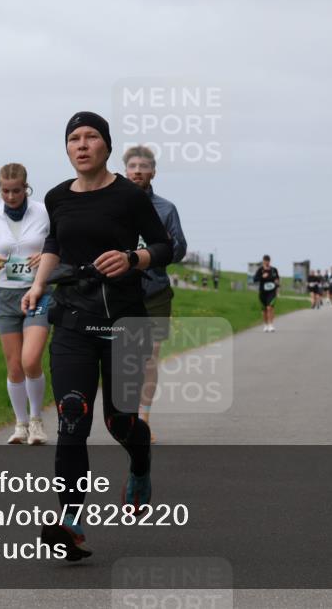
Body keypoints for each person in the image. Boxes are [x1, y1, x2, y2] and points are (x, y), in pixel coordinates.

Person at [22, 111, 171, 560]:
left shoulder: (129, 196)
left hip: (124, 320)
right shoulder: (55, 197)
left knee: (119, 421)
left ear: (106, 145)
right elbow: (54, 245)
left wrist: (133, 258)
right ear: (66, 149)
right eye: (73, 138)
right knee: (72, 415)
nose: (82, 144)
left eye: (91, 137)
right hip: (72, 318)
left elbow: (164, 245)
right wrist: (38, 285)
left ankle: (140, 466)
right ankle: (70, 519)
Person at [0, 164, 51, 445]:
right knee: (15, 366)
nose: (11, 196)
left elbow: (60, 244)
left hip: (38, 292)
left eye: (16, 190)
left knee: (31, 360)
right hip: (5, 295)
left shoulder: (43, 211)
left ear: (26, 187)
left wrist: (46, 256)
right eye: (5, 191)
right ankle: (20, 425)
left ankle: (37, 421)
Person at [123, 144, 188, 445]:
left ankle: (142, 419)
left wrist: (154, 252)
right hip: (121, 290)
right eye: (132, 166)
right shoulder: (113, 204)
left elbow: (180, 249)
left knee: (150, 359)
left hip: (156, 290)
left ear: (153, 172)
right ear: (125, 170)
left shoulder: (166, 208)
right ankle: (123, 416)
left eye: (143, 167)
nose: (137, 171)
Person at [253, 255, 280, 332]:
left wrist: (277, 287)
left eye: (268, 260)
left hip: (272, 292)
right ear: (263, 261)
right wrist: (262, 277)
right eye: (265, 260)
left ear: (269, 261)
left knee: (270, 308)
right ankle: (266, 325)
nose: (266, 262)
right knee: (264, 310)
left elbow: (277, 279)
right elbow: (255, 279)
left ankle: (271, 325)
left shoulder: (274, 270)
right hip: (262, 292)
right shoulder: (260, 270)